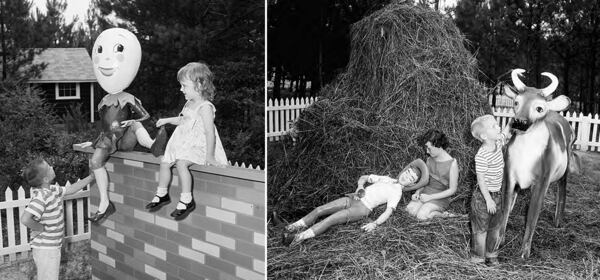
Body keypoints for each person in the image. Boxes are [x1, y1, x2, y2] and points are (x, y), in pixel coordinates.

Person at [83, 28, 166, 223]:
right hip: (108, 139)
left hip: (124, 140)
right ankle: (105, 203)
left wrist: (132, 121)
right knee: (95, 163)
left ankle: (152, 145)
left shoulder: (128, 98)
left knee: (136, 126)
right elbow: (103, 125)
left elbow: (146, 116)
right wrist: (93, 141)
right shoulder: (103, 100)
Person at [145, 62, 228, 220]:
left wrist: (209, 156)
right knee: (165, 162)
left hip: (199, 145)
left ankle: (186, 200)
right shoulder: (189, 103)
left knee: (182, 163)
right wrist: (166, 120)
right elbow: (183, 120)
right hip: (183, 142)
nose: (181, 89)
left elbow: (210, 133)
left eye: (184, 85)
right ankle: (162, 194)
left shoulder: (205, 107)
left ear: (199, 84)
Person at [282, 160, 428, 246]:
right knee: (320, 209)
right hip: (355, 197)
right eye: (408, 172)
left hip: (363, 208)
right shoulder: (387, 178)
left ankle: (296, 239)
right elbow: (364, 177)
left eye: (411, 178)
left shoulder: (397, 193)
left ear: (412, 184)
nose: (407, 177)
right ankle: (291, 227)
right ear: (404, 170)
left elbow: (388, 211)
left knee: (330, 220)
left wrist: (375, 223)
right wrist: (359, 187)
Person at [20, 158, 95, 280]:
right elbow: (25, 219)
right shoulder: (41, 197)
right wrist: (40, 228)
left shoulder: (53, 190)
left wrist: (91, 177)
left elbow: (71, 189)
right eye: (49, 167)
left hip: (52, 246)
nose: (52, 167)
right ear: (45, 179)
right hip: (45, 248)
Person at [469, 115, 511, 266]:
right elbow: (481, 180)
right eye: (494, 126)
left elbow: (505, 133)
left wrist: (511, 122)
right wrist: (488, 199)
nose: (498, 127)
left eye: (497, 125)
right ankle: (478, 259)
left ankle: (491, 255)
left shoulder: (498, 142)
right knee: (480, 229)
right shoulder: (481, 155)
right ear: (484, 136)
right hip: (482, 197)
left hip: (497, 195)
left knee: (494, 227)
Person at [405, 130, 459, 220]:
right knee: (409, 211)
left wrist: (430, 197)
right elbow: (425, 180)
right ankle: (428, 210)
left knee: (421, 216)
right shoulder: (429, 160)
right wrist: (417, 192)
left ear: (438, 145)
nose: (427, 151)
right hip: (426, 193)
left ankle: (440, 214)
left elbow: (452, 190)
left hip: (440, 197)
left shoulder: (452, 163)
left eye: (429, 148)